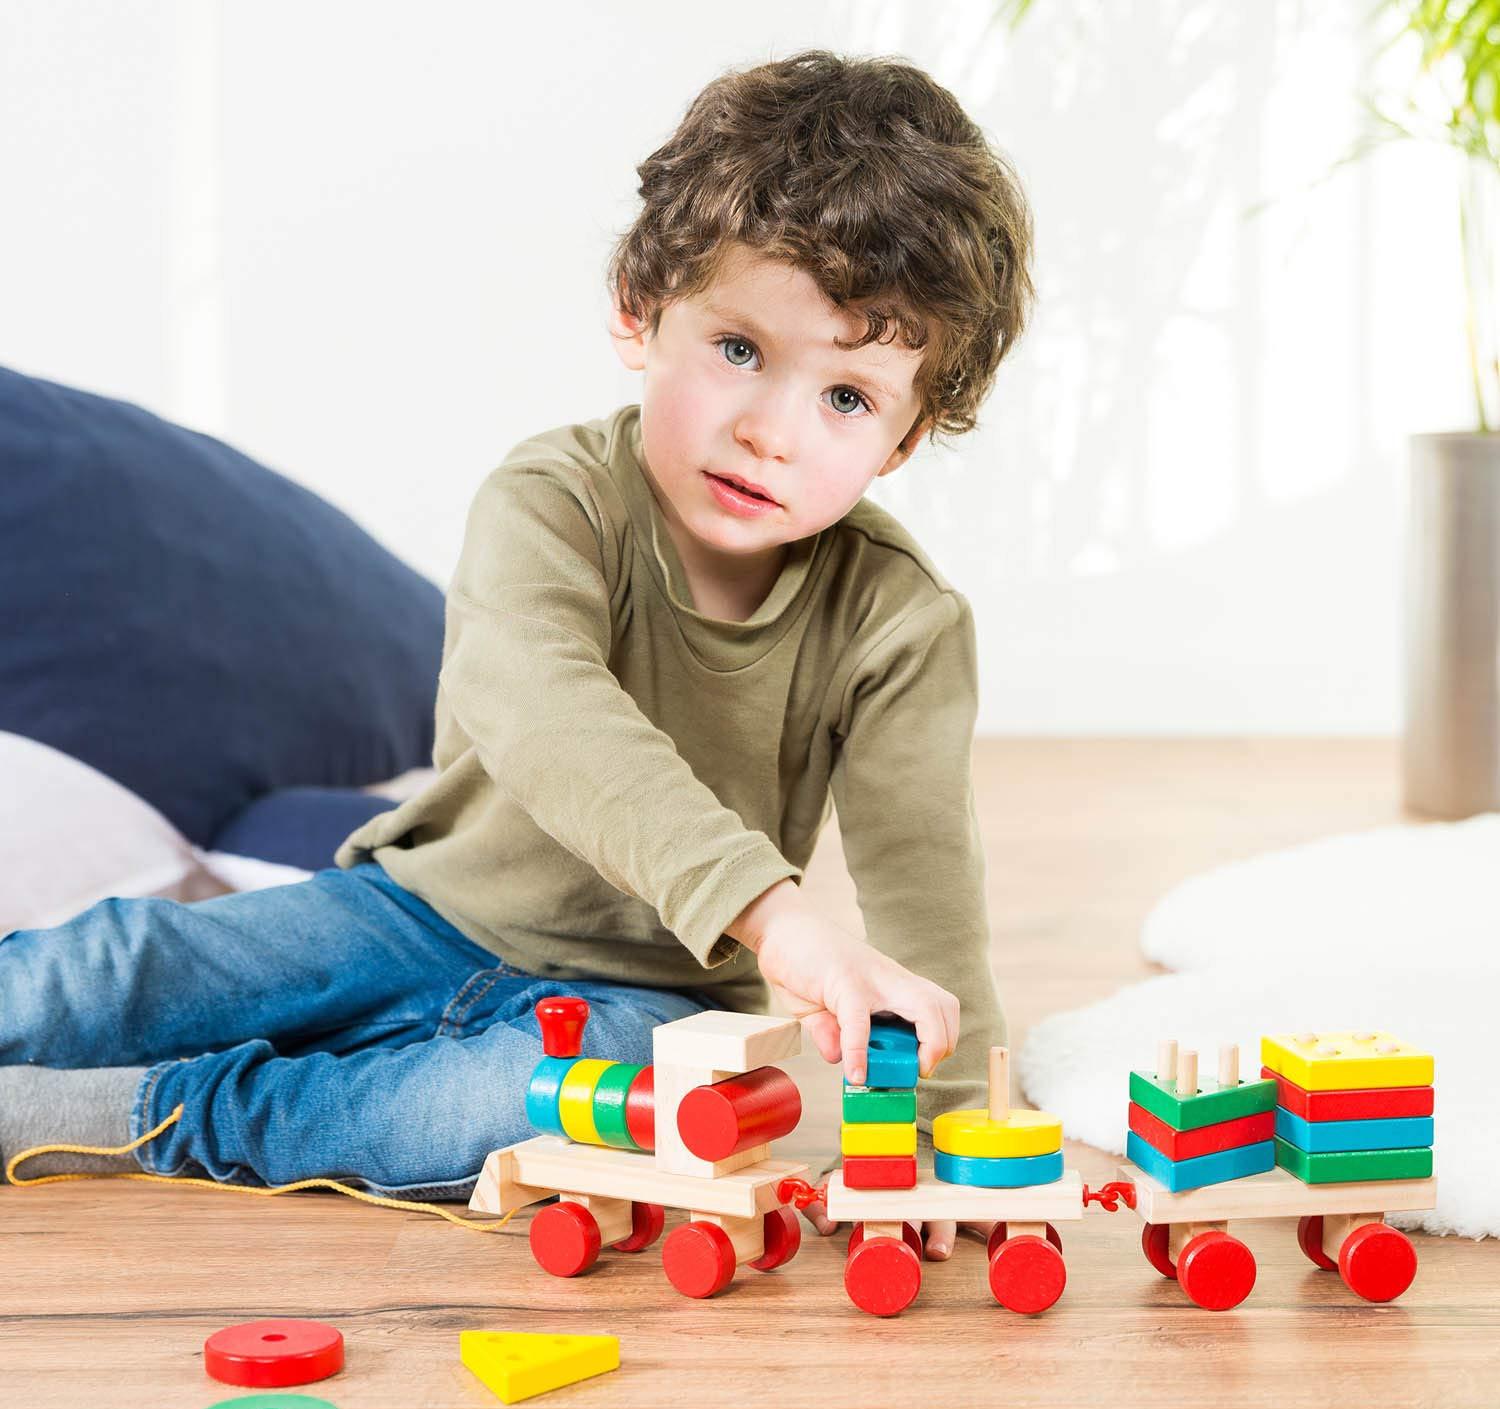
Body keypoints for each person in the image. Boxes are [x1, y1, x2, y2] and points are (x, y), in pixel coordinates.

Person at [0, 49, 1034, 1256]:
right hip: (422, 913)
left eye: (848, 398)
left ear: (903, 444)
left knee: (517, 1117)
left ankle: (153, 1117)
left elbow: (926, 891)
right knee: (130, 970)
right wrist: (780, 918)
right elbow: (548, 715)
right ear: (638, 311)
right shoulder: (549, 501)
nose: (771, 431)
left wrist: (954, 1145)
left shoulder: (904, 618)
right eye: (740, 350)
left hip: (650, 996)